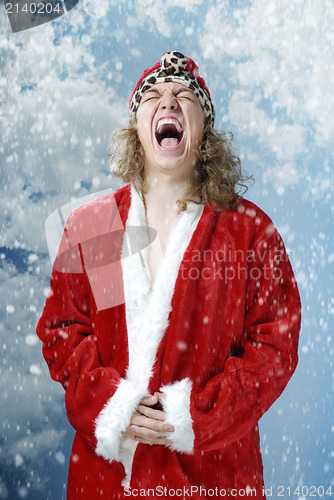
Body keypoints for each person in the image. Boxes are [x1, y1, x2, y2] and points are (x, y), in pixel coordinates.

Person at [36, 51, 301, 499]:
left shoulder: (249, 230)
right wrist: (112, 403)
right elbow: (63, 332)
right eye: (154, 96)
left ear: (204, 129)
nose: (168, 103)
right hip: (106, 482)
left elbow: (275, 346)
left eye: (183, 96)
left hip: (215, 479)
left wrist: (196, 416)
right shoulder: (95, 225)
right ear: (138, 127)